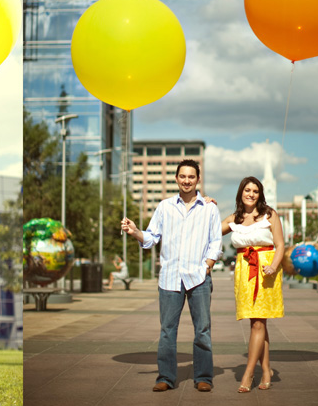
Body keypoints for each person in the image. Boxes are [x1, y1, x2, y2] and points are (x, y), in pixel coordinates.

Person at [121, 160, 222, 393]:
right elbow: (150, 238)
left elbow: (216, 242)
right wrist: (135, 231)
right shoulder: (165, 207)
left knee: (203, 330)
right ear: (176, 179)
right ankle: (165, 377)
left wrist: (207, 266)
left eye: (191, 176)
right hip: (170, 278)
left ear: (198, 179)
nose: (187, 180)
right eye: (182, 176)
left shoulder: (209, 208)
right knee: (167, 330)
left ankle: (204, 376)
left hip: (199, 279)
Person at [220, 176, 285, 393]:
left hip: (266, 271)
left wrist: (274, 266)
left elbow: (280, 245)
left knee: (258, 322)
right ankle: (266, 370)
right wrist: (208, 205)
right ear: (241, 193)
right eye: (247, 190)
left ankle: (249, 373)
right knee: (257, 323)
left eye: (255, 191)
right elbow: (210, 229)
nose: (251, 194)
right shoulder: (234, 218)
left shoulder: (269, 214)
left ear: (260, 194)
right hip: (244, 271)